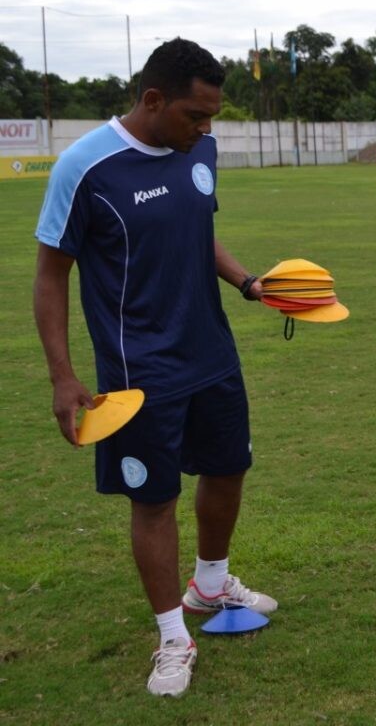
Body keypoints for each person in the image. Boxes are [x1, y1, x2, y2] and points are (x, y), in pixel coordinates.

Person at [32, 38, 276, 698]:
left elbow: (199, 232)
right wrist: (62, 374)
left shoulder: (200, 150)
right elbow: (52, 276)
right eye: (196, 116)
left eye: (213, 118)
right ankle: (173, 635)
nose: (206, 130)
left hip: (212, 354)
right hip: (138, 371)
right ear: (152, 101)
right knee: (154, 498)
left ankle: (211, 582)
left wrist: (248, 283)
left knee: (230, 469)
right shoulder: (85, 168)